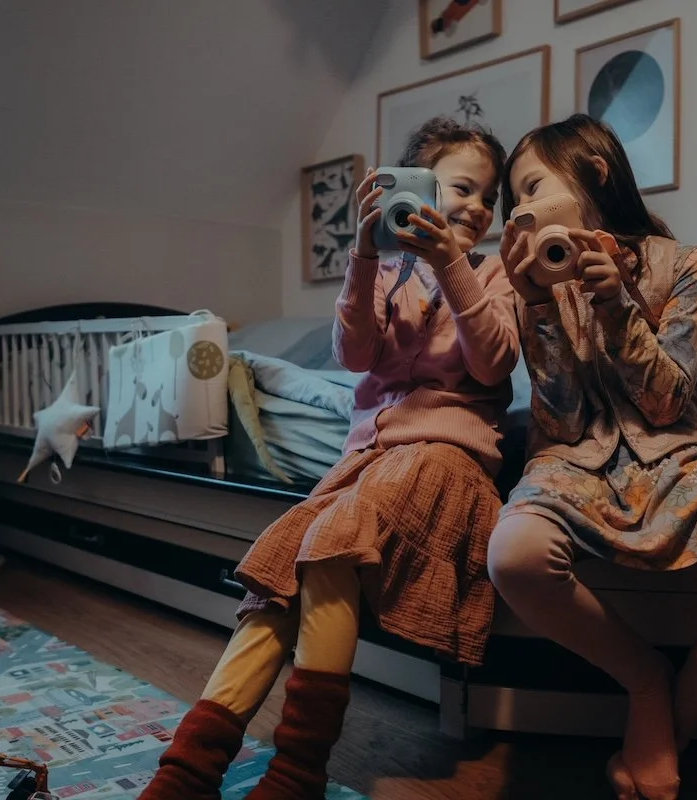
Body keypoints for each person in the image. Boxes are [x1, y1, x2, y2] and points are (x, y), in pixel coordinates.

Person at [139, 116, 518, 800]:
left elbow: (493, 366)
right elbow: (354, 356)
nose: (477, 208)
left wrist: (450, 266)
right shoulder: (386, 268)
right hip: (366, 464)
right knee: (279, 578)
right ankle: (187, 771)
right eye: (461, 188)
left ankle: (296, 772)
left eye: (488, 198)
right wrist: (365, 254)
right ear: (418, 190)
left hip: (446, 460)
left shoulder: (494, 275)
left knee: (332, 540)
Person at [486, 114, 697, 800]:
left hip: (679, 460)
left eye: (534, 185)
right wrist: (540, 307)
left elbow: (665, 404)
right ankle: (645, 677)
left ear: (594, 173)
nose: (522, 208)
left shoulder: (686, 265)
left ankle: (666, 717)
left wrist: (613, 303)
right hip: (572, 465)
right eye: (515, 198)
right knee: (511, 556)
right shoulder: (536, 282)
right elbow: (563, 418)